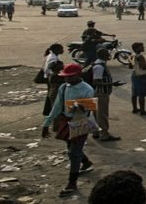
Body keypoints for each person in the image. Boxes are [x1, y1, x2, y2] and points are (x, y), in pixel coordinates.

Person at [41, 63, 95, 197]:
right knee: (72, 147)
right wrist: (46, 123)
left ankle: (72, 183)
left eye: (71, 77)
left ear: (79, 75)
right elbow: (57, 107)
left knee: (73, 152)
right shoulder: (64, 87)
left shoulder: (87, 89)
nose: (68, 79)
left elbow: (89, 109)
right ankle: (86, 162)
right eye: (66, 77)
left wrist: (79, 106)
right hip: (66, 119)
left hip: (81, 121)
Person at [91, 48, 121, 141]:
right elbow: (96, 82)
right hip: (101, 93)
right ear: (103, 55)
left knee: (97, 114)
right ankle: (104, 134)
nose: (109, 55)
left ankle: (96, 132)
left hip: (100, 92)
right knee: (102, 114)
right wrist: (112, 84)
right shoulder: (99, 67)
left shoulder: (100, 64)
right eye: (107, 54)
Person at [131, 42, 146, 115]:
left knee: (134, 93)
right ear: (137, 48)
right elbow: (143, 67)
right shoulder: (140, 56)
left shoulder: (132, 55)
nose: (143, 47)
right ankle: (142, 110)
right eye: (141, 46)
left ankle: (135, 108)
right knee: (141, 94)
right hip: (141, 76)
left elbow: (130, 66)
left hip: (134, 74)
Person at [42, 44, 65, 115]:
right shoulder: (53, 59)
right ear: (56, 50)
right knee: (53, 97)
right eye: (61, 49)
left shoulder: (52, 56)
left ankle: (49, 112)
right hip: (51, 79)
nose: (63, 50)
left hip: (50, 77)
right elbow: (50, 68)